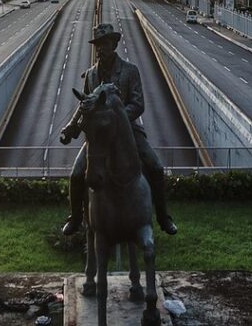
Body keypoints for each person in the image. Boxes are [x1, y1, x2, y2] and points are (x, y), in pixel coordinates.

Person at [59, 23, 178, 236]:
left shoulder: (130, 71)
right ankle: (76, 218)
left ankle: (162, 216)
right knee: (77, 174)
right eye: (97, 45)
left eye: (104, 44)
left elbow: (138, 103)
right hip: (99, 135)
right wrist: (72, 126)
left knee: (156, 167)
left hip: (128, 131)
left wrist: (119, 119)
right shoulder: (91, 75)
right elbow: (84, 103)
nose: (100, 49)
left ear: (113, 44)